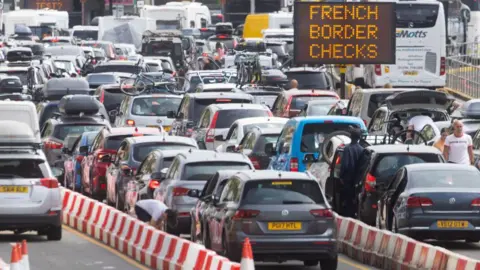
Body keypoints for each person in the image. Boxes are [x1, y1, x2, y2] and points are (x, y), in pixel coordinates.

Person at [339, 126, 365, 218]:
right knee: (356, 198)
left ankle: (349, 215)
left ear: (350, 137)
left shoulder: (347, 149)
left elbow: (345, 165)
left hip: (348, 179)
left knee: (348, 199)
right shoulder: (362, 150)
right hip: (358, 179)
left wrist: (341, 176)